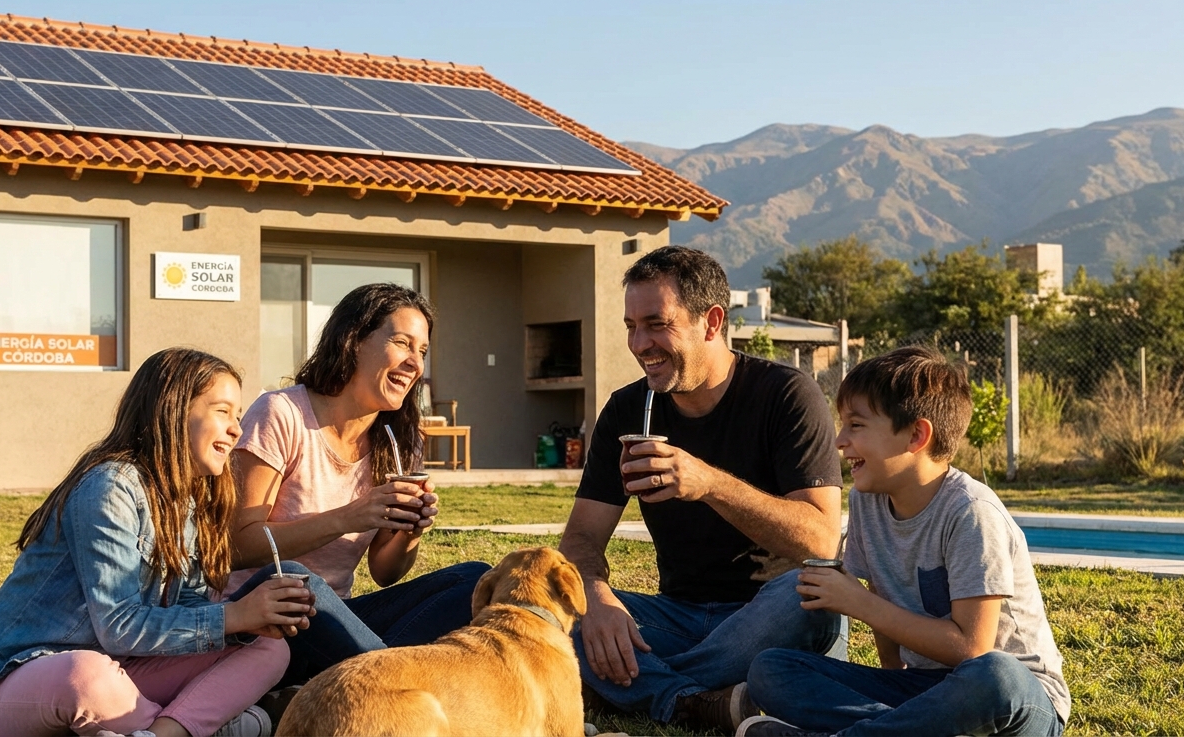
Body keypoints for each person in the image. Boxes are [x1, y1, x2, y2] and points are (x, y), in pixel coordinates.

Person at [559, 245, 846, 733]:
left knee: (806, 599)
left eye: (656, 324)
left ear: (711, 322)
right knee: (554, 604)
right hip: (675, 617)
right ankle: (694, 701)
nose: (640, 344)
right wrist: (597, 597)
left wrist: (708, 483)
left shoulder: (786, 395)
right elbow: (581, 538)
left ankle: (635, 684)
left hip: (769, 615)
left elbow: (820, 542)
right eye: (631, 326)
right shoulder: (628, 409)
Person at [0, 348, 308, 737]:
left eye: (238, 416)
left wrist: (248, 623)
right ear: (173, 411)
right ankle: (197, 724)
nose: (236, 430)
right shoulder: (109, 487)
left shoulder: (188, 501)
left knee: (266, 648)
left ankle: (161, 731)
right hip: (27, 681)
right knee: (87, 675)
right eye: (222, 411)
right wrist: (234, 615)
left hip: (125, 669)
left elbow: (186, 607)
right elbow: (118, 625)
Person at [742, 346, 1070, 736]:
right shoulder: (867, 501)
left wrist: (858, 603)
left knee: (996, 673)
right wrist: (892, 677)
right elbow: (883, 594)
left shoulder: (970, 512)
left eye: (856, 425)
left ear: (916, 435)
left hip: (1014, 700)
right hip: (925, 689)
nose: (839, 441)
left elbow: (972, 649)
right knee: (772, 669)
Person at [231, 282, 489, 684]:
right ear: (353, 341)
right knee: (295, 577)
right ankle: (390, 685)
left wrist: (409, 531)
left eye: (422, 351)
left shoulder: (399, 440)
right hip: (264, 618)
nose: (415, 363)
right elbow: (237, 546)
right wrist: (349, 517)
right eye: (402, 343)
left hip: (336, 623)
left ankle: (358, 680)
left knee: (474, 579)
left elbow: (385, 572)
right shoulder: (281, 413)